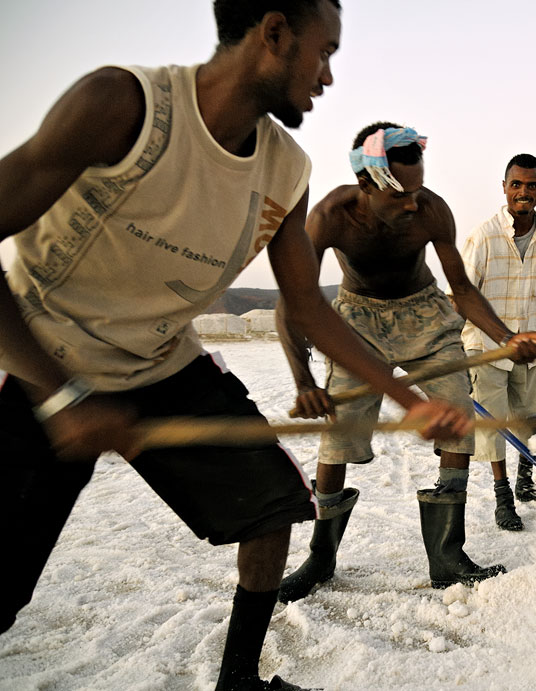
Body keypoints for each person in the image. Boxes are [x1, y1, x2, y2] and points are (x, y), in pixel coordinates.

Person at [0, 4, 474, 690]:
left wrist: (412, 400)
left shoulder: (284, 167)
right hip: (41, 364)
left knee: (275, 505)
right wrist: (67, 396)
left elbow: (308, 304)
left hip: (162, 361)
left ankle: (240, 680)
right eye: (323, 53)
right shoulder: (123, 108)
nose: (329, 76)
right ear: (273, 34)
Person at [275, 123, 536, 601]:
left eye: (417, 190)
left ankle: (447, 555)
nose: (411, 204)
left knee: (457, 414)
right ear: (365, 184)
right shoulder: (331, 216)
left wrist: (505, 337)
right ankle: (321, 556)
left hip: (426, 314)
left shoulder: (431, 209)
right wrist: (303, 380)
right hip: (358, 321)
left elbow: (461, 289)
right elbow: (294, 302)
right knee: (338, 436)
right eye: (399, 193)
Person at [455, 153, 536, 530]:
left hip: (532, 348)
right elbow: (463, 296)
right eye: (516, 184)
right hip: (486, 348)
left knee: (535, 418)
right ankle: (503, 494)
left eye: (531, 185)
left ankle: (526, 481)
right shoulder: (483, 236)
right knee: (494, 426)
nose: (524, 192)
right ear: (504, 188)